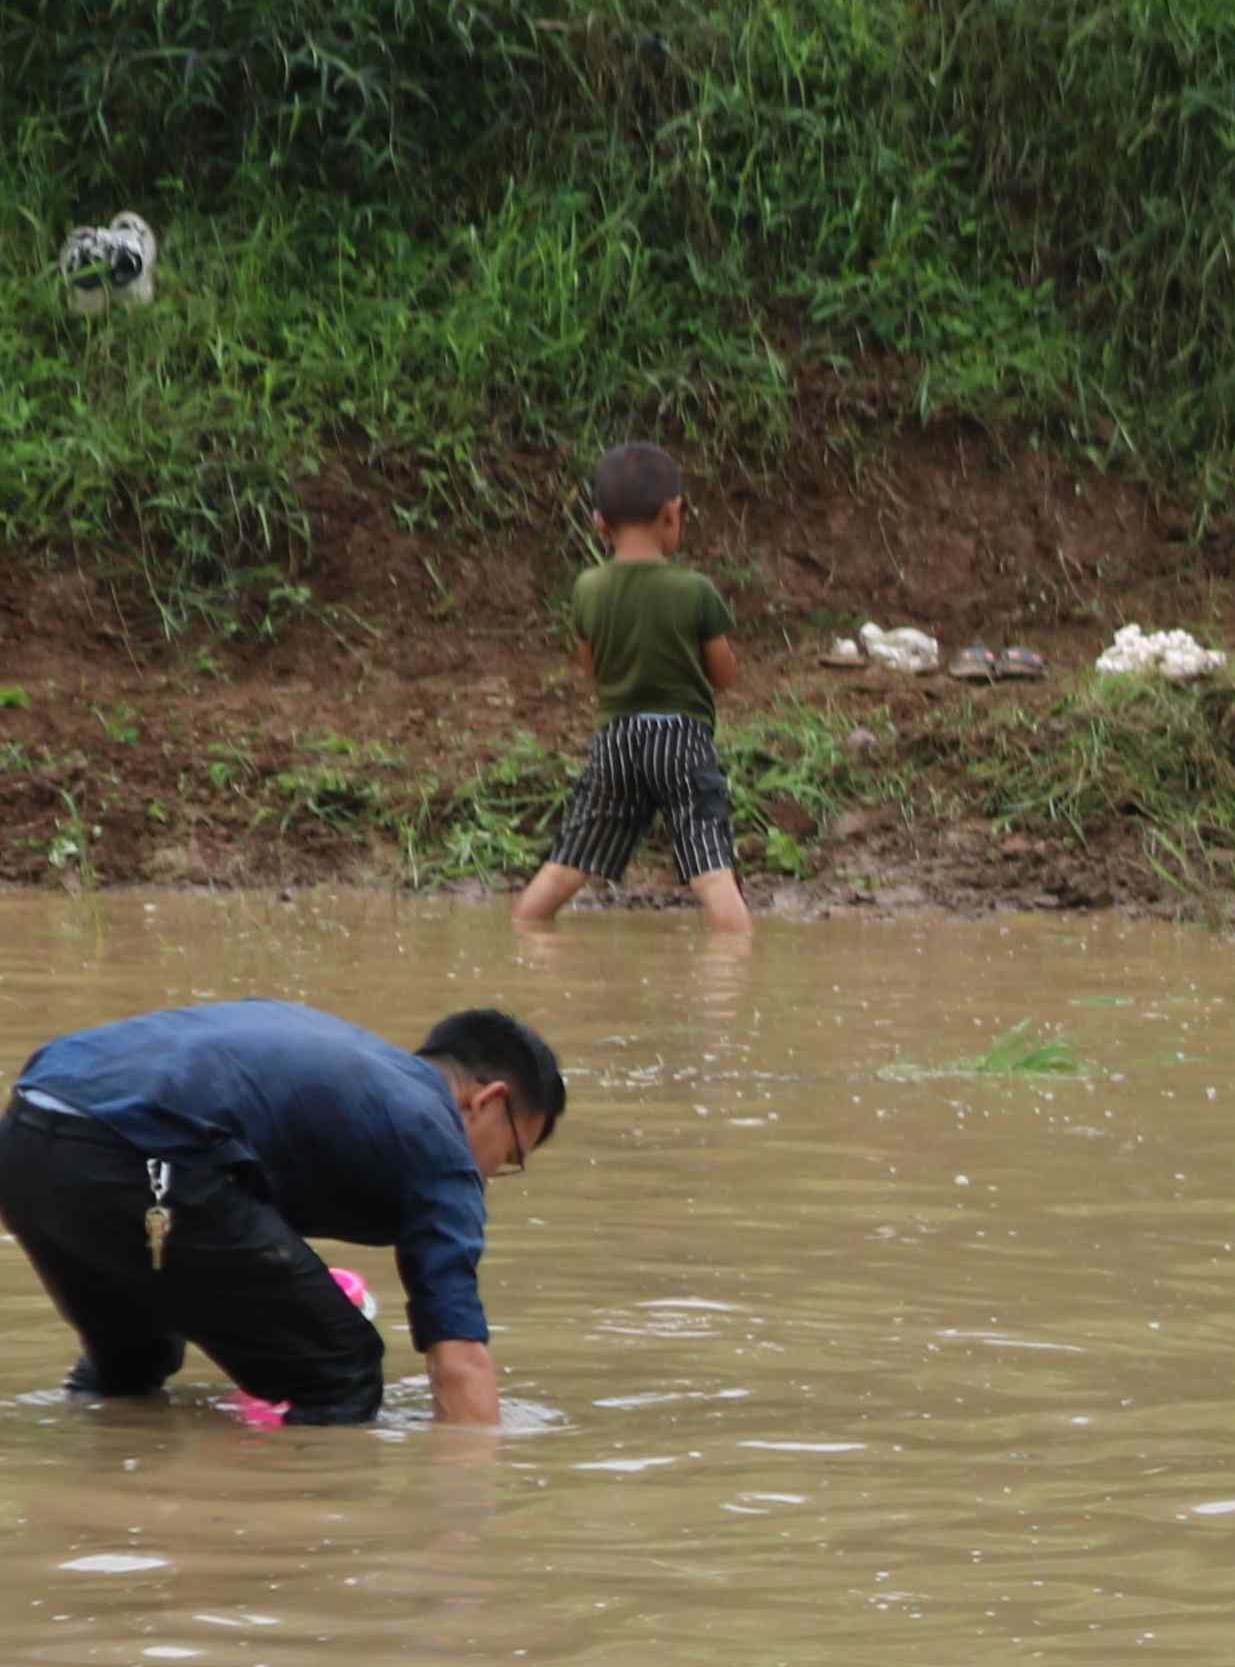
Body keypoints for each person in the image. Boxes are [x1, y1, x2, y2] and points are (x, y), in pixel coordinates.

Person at [5, 1000, 560, 1430]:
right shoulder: (437, 1140)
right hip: (139, 1156)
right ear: (487, 1100)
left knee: (135, 1364)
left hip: (27, 1129)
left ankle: (92, 1512)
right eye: (508, 1157)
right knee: (341, 1370)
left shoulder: (348, 1063)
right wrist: (473, 1515)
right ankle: (281, 1547)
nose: (487, 1178)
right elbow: (458, 1354)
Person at [508, 440, 757, 946]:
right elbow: (724, 674)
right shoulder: (695, 591)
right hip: (682, 741)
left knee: (568, 864)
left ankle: (525, 936)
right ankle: (734, 973)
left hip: (616, 740)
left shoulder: (587, 589)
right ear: (673, 513)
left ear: (599, 523)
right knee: (711, 871)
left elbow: (591, 666)